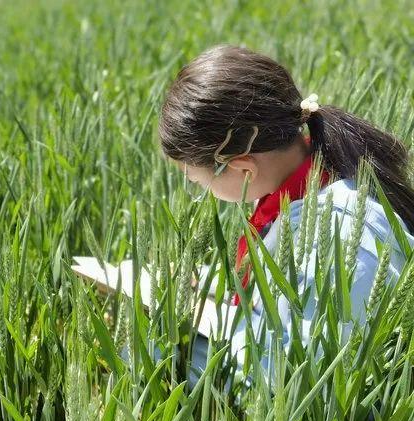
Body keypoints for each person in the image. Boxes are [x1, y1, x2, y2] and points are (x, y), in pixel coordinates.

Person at [158, 45, 414, 385]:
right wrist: (207, 286)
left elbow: (298, 381)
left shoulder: (335, 233)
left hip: (317, 414)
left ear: (243, 168)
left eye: (195, 182)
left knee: (157, 351)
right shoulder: (322, 185)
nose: (200, 192)